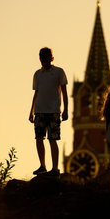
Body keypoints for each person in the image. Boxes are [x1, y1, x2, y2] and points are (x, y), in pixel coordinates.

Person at [29, 47, 68, 177]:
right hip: (40, 111)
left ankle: (55, 168)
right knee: (39, 138)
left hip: (54, 111)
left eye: (46, 59)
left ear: (51, 58)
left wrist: (66, 109)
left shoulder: (59, 72)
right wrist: (31, 111)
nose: (44, 62)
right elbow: (36, 93)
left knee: (53, 138)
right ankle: (42, 166)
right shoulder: (37, 74)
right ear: (39, 59)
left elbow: (64, 92)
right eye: (42, 59)